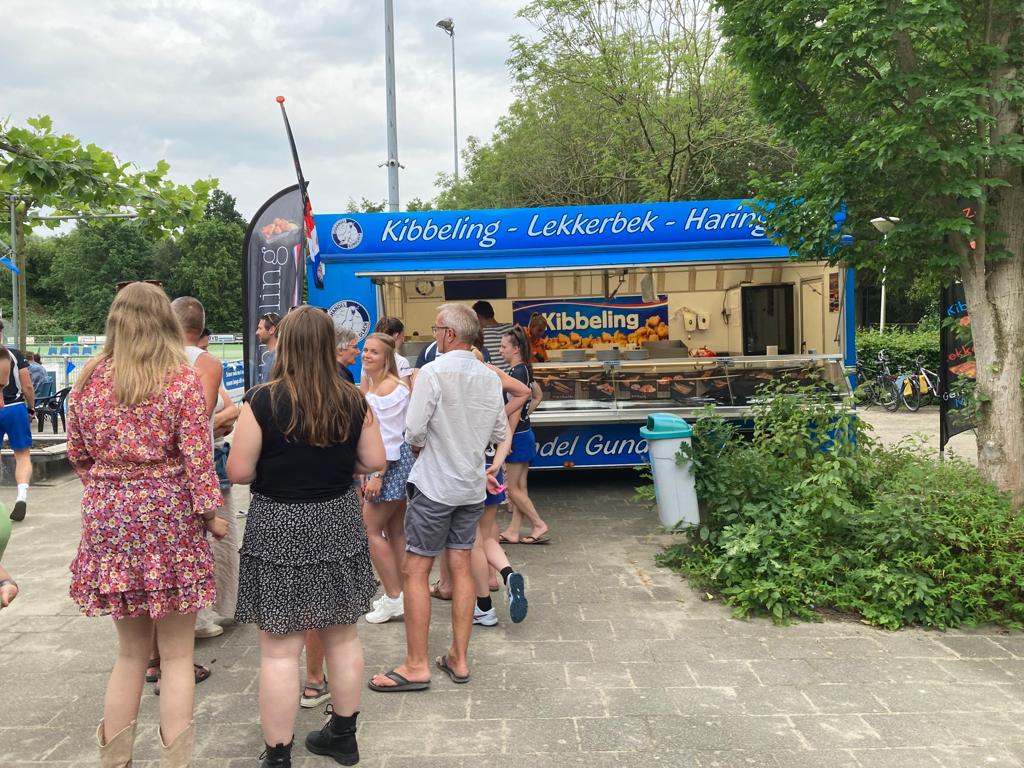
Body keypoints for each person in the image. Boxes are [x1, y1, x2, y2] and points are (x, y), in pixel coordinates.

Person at [66, 282, 227, 767]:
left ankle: (116, 762)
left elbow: (78, 453)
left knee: (130, 654)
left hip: (109, 516)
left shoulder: (87, 380)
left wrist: (110, 487)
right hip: (169, 518)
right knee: (177, 655)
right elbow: (198, 460)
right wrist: (210, 515)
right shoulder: (180, 381)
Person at [228, 305, 386, 767]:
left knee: (280, 651)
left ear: (287, 345)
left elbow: (238, 471)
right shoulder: (353, 399)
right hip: (336, 519)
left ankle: (279, 756)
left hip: (277, 523)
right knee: (342, 637)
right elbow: (374, 460)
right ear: (326, 347)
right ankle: (343, 736)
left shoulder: (261, 400)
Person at [369, 303, 508, 692]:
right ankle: (458, 657)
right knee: (461, 566)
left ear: (449, 333)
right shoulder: (488, 376)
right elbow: (499, 431)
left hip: (434, 485)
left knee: (416, 569)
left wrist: (423, 445)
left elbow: (413, 431)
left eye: (436, 328)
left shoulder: (431, 372)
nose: (434, 335)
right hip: (470, 485)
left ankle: (416, 665)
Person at [171, 297, 229, 641]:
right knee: (195, 548)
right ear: (200, 325)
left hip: (154, 471)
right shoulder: (205, 363)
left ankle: (161, 641)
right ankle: (196, 620)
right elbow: (198, 418)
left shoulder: (154, 357)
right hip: (194, 462)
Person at [360, 333, 415, 624]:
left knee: (369, 529)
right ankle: (405, 594)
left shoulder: (389, 389)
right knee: (395, 531)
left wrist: (378, 475)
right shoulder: (377, 385)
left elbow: (391, 439)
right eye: (365, 350)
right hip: (390, 464)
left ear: (387, 358)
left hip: (389, 465)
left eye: (374, 352)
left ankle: (394, 596)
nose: (366, 355)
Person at [498, 326, 550, 545]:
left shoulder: (516, 373)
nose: (500, 350)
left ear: (516, 348)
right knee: (520, 487)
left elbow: (515, 410)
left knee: (512, 489)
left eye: (504, 347)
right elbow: (536, 396)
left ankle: (538, 524)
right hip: (525, 433)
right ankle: (513, 530)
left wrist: (507, 438)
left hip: (518, 436)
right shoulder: (525, 370)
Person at [0, 319, 36, 522]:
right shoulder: (14, 354)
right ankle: (21, 496)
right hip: (14, 408)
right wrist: (31, 407)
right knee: (22, 455)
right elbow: (27, 385)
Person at [362, 316, 412, 389]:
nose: (403, 339)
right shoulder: (401, 361)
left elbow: (363, 391)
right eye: (403, 335)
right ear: (397, 335)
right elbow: (406, 391)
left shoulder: (368, 360)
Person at [471, 300, 513, 373]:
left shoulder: (480, 334)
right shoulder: (511, 328)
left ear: (478, 316)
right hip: (512, 376)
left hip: (495, 377)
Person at [255, 312, 281, 384]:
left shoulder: (277, 359)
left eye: (260, 328)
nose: (257, 332)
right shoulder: (272, 357)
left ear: (272, 330)